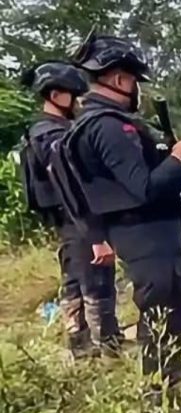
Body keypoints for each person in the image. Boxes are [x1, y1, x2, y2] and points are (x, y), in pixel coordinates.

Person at [67, 33, 181, 402]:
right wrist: (180, 156)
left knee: (170, 309)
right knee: (160, 315)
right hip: (143, 234)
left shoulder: (104, 122)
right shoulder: (109, 126)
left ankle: (168, 382)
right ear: (120, 79)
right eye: (135, 80)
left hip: (149, 233)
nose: (138, 89)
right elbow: (145, 188)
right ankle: (160, 402)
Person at [19, 61, 120, 358]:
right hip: (78, 219)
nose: (79, 102)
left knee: (76, 281)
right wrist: (95, 233)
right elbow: (73, 185)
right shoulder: (50, 135)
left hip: (71, 221)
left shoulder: (51, 130)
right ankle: (108, 351)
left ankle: (83, 349)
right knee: (96, 283)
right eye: (75, 96)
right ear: (55, 95)